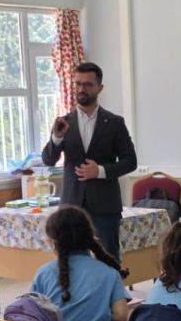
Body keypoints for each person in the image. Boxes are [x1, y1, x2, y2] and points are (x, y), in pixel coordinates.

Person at [40, 61, 137, 261]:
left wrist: (100, 171)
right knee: (69, 260)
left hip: (105, 206)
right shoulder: (63, 122)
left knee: (109, 259)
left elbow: (130, 161)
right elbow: (48, 160)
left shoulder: (115, 123)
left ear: (99, 88)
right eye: (77, 84)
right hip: (71, 205)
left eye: (87, 84)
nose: (81, 89)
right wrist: (56, 138)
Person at [31, 206, 129, 321]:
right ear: (90, 237)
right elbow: (121, 315)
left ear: (52, 242)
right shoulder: (109, 273)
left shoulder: (43, 273)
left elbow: (32, 313)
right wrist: (96, 315)